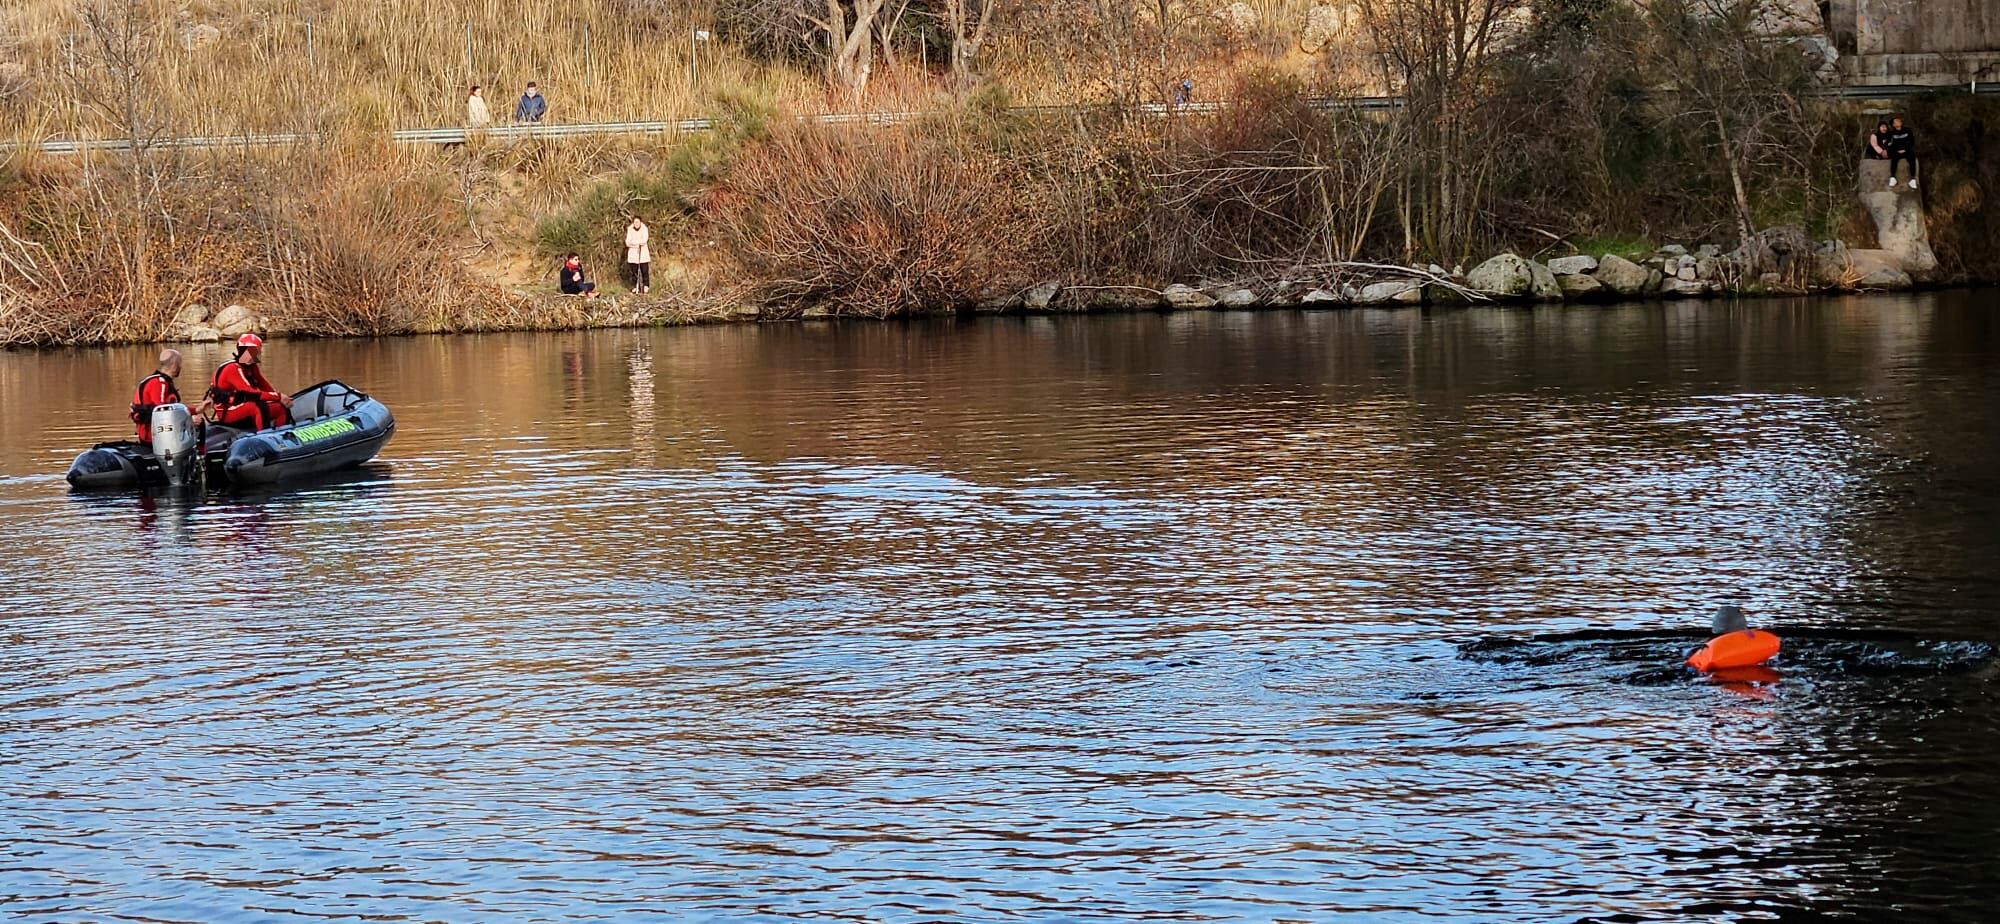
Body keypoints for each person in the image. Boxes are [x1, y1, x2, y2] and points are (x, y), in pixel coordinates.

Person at [208, 333, 292, 432]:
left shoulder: (252, 367)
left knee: (280, 408)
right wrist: (278, 396)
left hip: (242, 407)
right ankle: (264, 435)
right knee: (257, 407)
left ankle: (281, 435)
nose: (253, 355)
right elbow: (250, 393)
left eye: (255, 352)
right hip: (227, 412)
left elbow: (263, 385)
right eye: (251, 352)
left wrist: (278, 398)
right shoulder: (232, 368)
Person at [130, 349, 206, 443]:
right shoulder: (159, 383)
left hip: (158, 430)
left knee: (197, 419)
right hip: (154, 435)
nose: (181, 366)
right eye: (180, 363)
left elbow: (173, 409)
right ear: (174, 365)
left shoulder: (160, 381)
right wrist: (189, 420)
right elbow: (163, 412)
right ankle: (201, 454)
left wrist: (196, 410)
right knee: (200, 423)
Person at [1686, 605, 1781, 673]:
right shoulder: (1767, 651)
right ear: (1744, 629)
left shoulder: (1698, 652)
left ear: (1714, 629)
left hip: (1714, 684)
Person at [1887, 116, 1917, 189]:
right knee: (1894, 158)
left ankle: (1912, 179)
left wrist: (1905, 149)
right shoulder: (1891, 133)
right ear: (1893, 125)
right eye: (1896, 121)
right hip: (1896, 151)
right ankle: (1893, 177)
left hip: (1906, 150)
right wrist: (1896, 150)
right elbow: (1889, 144)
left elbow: (1912, 142)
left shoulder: (1907, 130)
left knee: (1912, 156)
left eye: (1899, 120)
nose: (1899, 121)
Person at [625, 217, 652, 294]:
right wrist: (636, 243)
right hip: (633, 254)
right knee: (634, 271)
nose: (636, 224)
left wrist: (633, 242)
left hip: (643, 253)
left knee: (644, 270)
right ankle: (635, 286)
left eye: (638, 222)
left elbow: (644, 241)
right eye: (635, 222)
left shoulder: (644, 229)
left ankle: (646, 285)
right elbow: (627, 242)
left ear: (640, 222)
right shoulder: (630, 229)